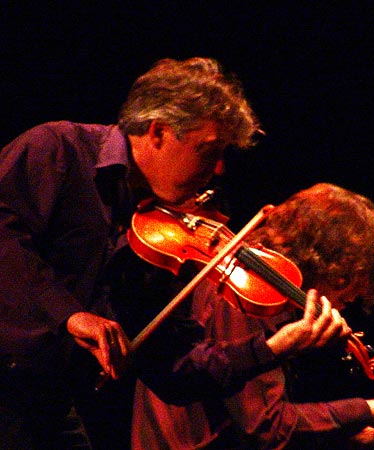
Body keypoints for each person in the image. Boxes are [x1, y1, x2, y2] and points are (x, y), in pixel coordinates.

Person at [0, 58, 351, 450]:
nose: (218, 169)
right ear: (159, 132)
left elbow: (173, 370)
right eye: (208, 150)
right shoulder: (59, 149)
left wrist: (274, 347)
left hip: (48, 403)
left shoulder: (164, 241)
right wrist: (69, 314)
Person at [132, 183, 374, 450]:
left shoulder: (268, 294)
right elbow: (267, 428)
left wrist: (357, 435)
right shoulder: (243, 297)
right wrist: (371, 409)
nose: (344, 306)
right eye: (346, 290)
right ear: (332, 266)